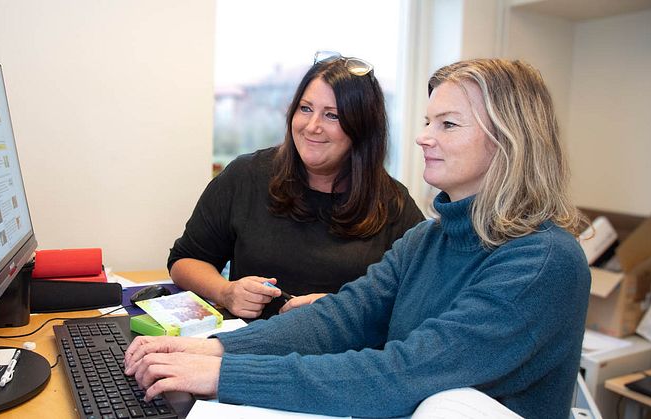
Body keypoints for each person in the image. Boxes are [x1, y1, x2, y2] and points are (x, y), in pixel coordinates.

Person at [125, 58, 591, 418]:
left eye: (447, 124)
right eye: (427, 122)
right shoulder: (427, 241)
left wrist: (221, 372)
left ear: (510, 140)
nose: (424, 138)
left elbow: (405, 371)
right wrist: (211, 349)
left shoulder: (542, 260)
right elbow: (339, 319)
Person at [168, 51, 424, 319]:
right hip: (249, 349)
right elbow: (184, 260)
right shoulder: (246, 176)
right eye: (306, 109)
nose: (312, 126)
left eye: (332, 116)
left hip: (339, 358)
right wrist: (226, 292)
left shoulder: (393, 204)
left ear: (362, 129)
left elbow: (420, 300)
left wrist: (344, 309)